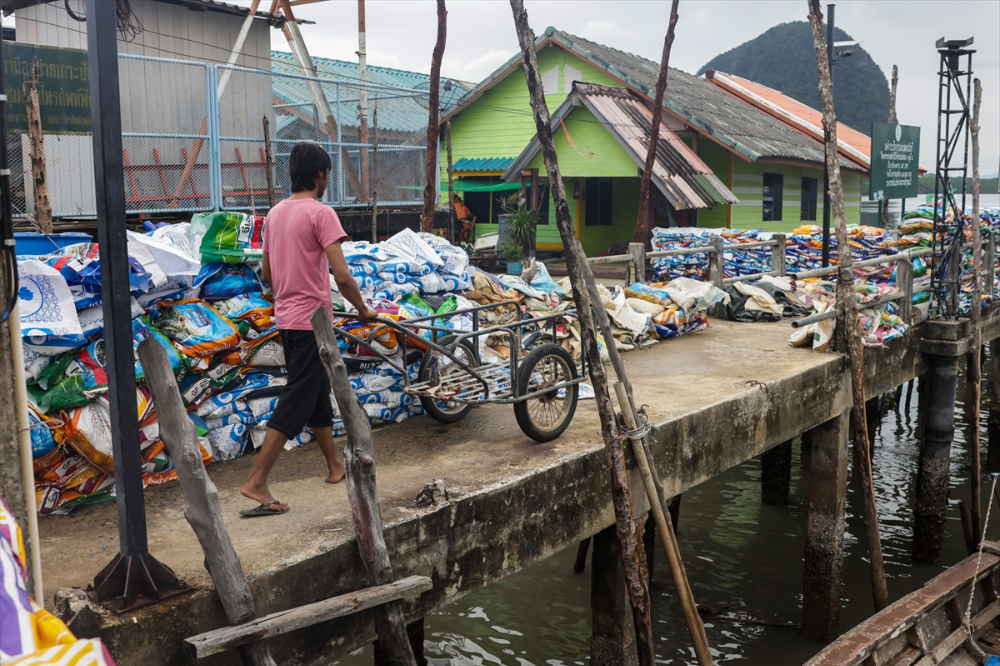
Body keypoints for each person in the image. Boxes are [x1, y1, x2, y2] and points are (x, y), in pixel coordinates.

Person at [239, 142, 377, 517]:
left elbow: (267, 274)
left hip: (287, 320)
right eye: (328, 175)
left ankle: (334, 465)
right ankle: (256, 480)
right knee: (298, 396)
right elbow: (342, 275)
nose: (327, 181)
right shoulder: (321, 214)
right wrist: (362, 309)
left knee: (316, 391)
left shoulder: (275, 214)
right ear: (320, 175)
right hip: (312, 322)